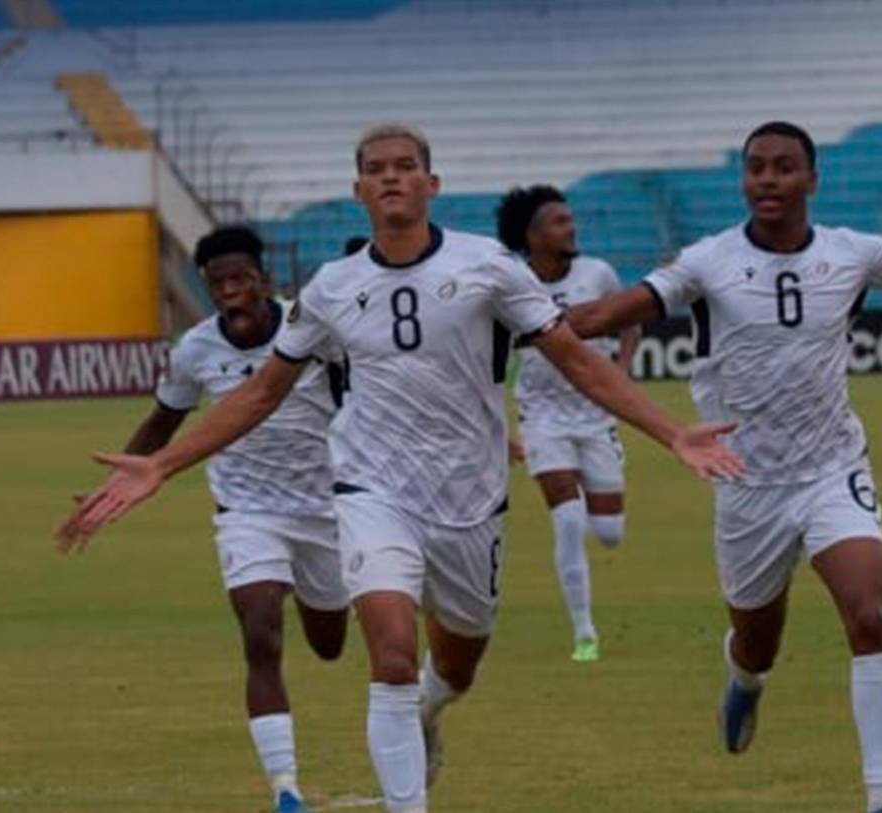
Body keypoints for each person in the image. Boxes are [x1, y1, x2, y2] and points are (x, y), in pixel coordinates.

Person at [57, 122, 743, 813]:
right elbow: (262, 392)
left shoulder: (488, 267)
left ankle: (428, 712)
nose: (391, 176)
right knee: (388, 653)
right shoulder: (331, 288)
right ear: (358, 190)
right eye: (377, 168)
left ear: (431, 184)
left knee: (457, 663)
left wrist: (672, 431)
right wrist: (164, 463)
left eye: (406, 165)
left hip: (472, 502)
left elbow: (576, 360)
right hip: (371, 493)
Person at [566, 121, 882, 813]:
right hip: (744, 481)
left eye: (784, 167)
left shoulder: (855, 253)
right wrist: (525, 315)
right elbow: (612, 311)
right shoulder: (707, 261)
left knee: (870, 614)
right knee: (759, 644)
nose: (768, 179)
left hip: (832, 469)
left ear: (811, 180)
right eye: (756, 167)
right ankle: (745, 678)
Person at [62, 225, 348, 813]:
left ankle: (312, 595)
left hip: (327, 511)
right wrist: (112, 488)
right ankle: (286, 790)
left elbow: (361, 400)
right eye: (217, 283)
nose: (229, 292)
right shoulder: (195, 350)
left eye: (240, 279)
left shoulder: (312, 330)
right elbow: (162, 425)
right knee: (261, 634)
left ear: (265, 280)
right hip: (247, 512)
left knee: (329, 644)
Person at [496, 184, 640, 662]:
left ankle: (587, 621)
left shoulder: (597, 273)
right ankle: (585, 632)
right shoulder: (513, 282)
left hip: (596, 413)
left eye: (570, 219)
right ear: (533, 236)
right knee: (568, 520)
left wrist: (622, 366)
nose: (571, 227)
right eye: (559, 221)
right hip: (542, 417)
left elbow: (630, 318)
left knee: (609, 531)